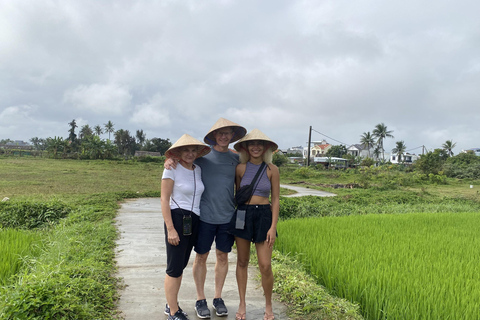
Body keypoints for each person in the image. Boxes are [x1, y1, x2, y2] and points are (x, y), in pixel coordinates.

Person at [164, 118, 246, 319]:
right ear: (213, 136)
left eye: (228, 133)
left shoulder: (236, 159)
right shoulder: (202, 159)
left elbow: (250, 172)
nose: (224, 136)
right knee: (201, 256)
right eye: (220, 133)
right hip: (204, 217)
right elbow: (181, 161)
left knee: (222, 256)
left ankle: (218, 298)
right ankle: (200, 299)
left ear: (233, 136)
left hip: (227, 216)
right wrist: (168, 160)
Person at [229, 129, 280, 320]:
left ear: (266, 147)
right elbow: (238, 194)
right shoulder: (240, 169)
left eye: (259, 144)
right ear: (246, 147)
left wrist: (273, 227)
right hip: (243, 214)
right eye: (251, 144)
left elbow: (275, 199)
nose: (255, 147)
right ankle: (242, 304)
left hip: (264, 216)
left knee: (265, 265)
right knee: (242, 261)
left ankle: (268, 305)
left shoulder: (272, 170)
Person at [161, 134, 211, 320]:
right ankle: (173, 312)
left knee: (181, 265)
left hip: (194, 220)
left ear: (198, 153)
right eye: (186, 150)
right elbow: (164, 199)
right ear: (178, 152)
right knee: (174, 267)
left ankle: (170, 303)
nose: (190, 154)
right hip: (177, 217)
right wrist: (170, 228)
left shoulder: (197, 169)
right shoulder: (171, 169)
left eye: (193, 150)